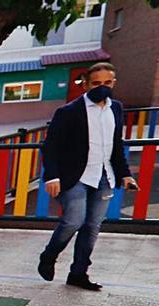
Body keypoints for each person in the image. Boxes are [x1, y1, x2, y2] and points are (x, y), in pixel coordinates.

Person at [38, 62, 137, 291]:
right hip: (76, 177)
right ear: (85, 84)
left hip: (105, 177)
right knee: (73, 221)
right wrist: (52, 177)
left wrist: (125, 174)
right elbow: (50, 146)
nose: (102, 88)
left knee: (92, 226)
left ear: (114, 83)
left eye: (107, 83)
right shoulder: (69, 111)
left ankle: (79, 273)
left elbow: (115, 145)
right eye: (96, 83)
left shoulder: (116, 109)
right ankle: (49, 256)